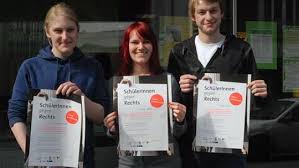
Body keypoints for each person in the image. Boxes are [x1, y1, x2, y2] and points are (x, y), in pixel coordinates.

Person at [167, 0, 268, 168]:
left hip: (229, 150)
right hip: (190, 150)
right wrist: (180, 89)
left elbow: (256, 103)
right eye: (202, 12)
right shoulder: (179, 53)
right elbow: (171, 108)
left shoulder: (241, 50)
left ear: (222, 13)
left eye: (213, 11)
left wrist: (261, 93)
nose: (208, 17)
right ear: (193, 16)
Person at [7, 2, 108, 168]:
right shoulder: (30, 67)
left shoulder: (93, 67)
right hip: (39, 162)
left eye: (70, 30)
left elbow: (101, 116)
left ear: (77, 31)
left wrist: (82, 99)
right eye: (58, 30)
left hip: (82, 161)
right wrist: (32, 152)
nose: (65, 36)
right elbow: (15, 114)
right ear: (47, 32)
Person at [103, 21, 187, 168]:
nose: (141, 47)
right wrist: (111, 128)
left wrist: (180, 120)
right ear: (126, 46)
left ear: (153, 46)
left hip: (165, 162)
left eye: (146, 42)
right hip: (129, 162)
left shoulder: (168, 81)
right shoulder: (116, 84)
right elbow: (114, 134)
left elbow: (178, 132)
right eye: (135, 42)